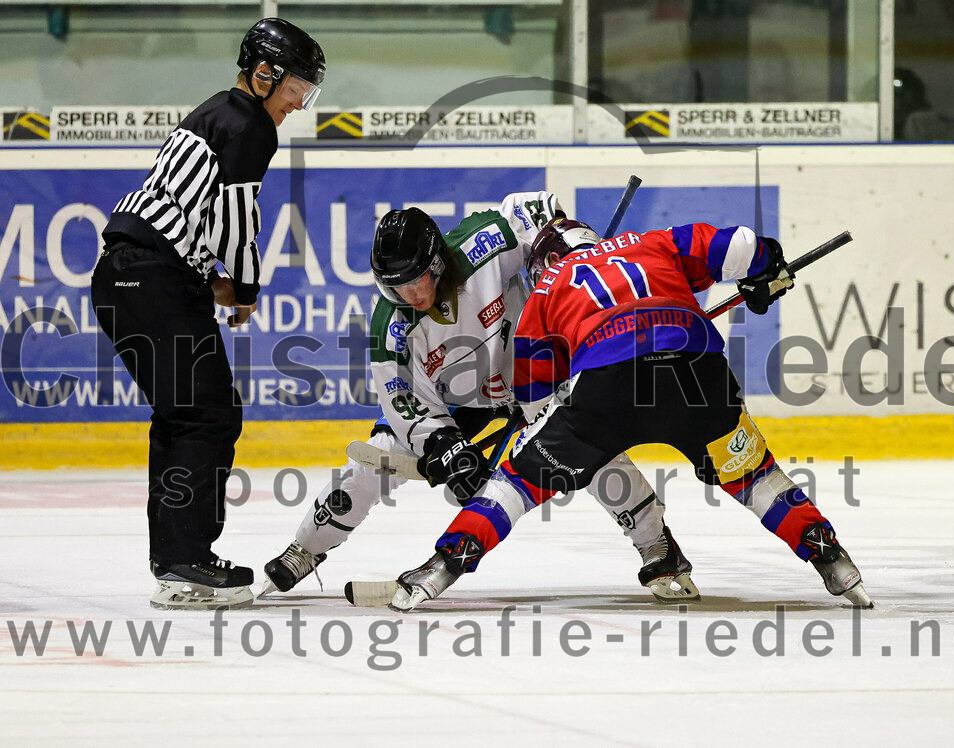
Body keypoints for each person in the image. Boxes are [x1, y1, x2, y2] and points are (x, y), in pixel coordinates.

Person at [390, 217, 873, 611]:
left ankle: (444, 564)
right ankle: (831, 559)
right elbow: (742, 245)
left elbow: (535, 398)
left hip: (610, 387)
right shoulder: (653, 242)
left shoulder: (545, 290)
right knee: (755, 478)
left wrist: (535, 436)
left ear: (547, 262)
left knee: (516, 484)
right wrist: (768, 268)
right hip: (700, 374)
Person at [262, 196, 698, 603]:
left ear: (438, 260)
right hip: (458, 402)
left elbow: (540, 211)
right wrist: (445, 448)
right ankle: (304, 549)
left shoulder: (483, 243)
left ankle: (658, 546)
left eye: (417, 281)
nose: (411, 297)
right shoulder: (391, 327)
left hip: (532, 374)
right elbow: (406, 403)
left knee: (586, 446)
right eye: (397, 288)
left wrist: (573, 252)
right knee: (373, 462)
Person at [90, 18, 326, 610]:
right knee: (204, 415)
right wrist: (244, 286)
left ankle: (177, 557)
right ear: (265, 74)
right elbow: (241, 221)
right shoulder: (249, 125)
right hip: (152, 280)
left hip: (127, 276)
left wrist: (211, 277)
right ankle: (184, 562)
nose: (299, 103)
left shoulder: (217, 111)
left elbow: (181, 211)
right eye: (297, 88)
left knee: (186, 415)